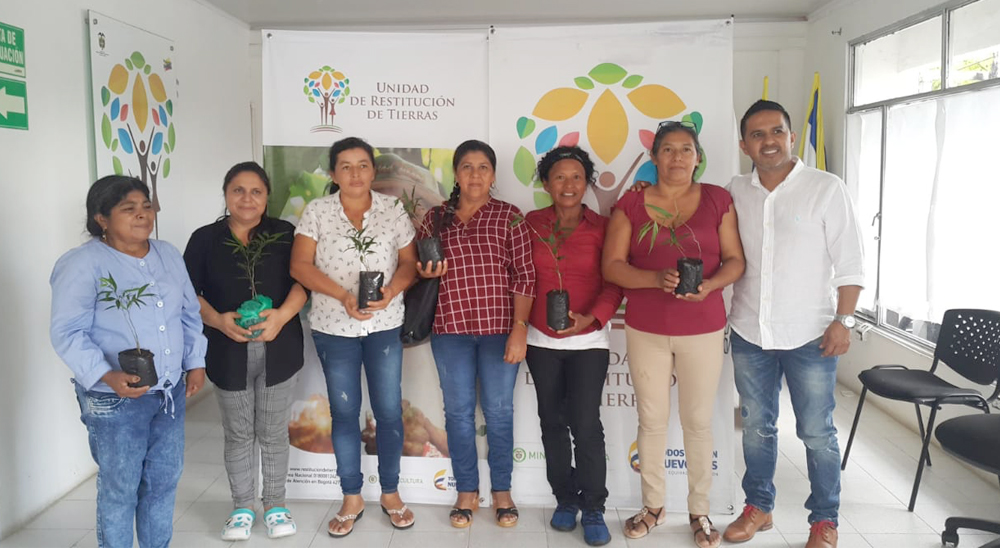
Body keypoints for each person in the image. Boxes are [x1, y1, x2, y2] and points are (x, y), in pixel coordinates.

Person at [723, 100, 864, 548]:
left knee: (816, 431)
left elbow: (851, 262)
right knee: (757, 425)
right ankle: (758, 507)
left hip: (811, 334)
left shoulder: (826, 188)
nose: (769, 141)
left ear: (791, 136)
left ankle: (824, 520)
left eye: (777, 131)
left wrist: (844, 320)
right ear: (744, 143)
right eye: (758, 134)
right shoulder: (734, 191)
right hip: (749, 330)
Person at [603, 121, 745, 548]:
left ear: (698, 157)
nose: (677, 157)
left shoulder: (718, 200)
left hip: (702, 327)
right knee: (651, 420)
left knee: (698, 422)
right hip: (646, 327)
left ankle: (699, 512)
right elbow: (613, 266)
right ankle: (653, 506)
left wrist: (711, 285)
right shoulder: (631, 205)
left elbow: (735, 260)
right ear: (655, 157)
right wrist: (653, 278)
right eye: (668, 149)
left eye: (686, 149)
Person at [50, 176, 207, 548]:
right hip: (115, 399)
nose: (142, 215)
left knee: (163, 482)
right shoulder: (82, 264)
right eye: (129, 209)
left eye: (146, 206)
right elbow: (67, 332)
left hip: (168, 393)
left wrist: (195, 361)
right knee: (121, 489)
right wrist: (105, 373)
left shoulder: (167, 253)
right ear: (101, 218)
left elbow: (188, 313)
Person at [290, 137, 418, 537]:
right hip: (334, 327)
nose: (355, 173)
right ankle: (352, 496)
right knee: (345, 414)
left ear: (373, 171)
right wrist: (342, 295)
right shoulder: (317, 212)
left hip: (384, 326)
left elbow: (410, 264)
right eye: (345, 166)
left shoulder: (393, 209)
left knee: (389, 412)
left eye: (362, 165)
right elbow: (299, 266)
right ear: (333, 174)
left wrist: (391, 292)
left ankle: (392, 493)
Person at [183, 161, 307, 541]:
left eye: (256, 191)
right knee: (238, 433)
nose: (247, 199)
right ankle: (241, 507)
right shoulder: (205, 239)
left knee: (272, 433)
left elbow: (305, 283)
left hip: (278, 348)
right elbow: (189, 294)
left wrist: (281, 317)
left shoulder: (285, 235)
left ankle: (275, 505)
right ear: (226, 194)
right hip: (226, 349)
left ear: (267, 196)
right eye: (238, 190)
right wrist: (219, 321)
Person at [415, 139, 535, 529]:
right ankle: (466, 491)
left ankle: (502, 491)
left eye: (483, 167)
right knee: (459, 414)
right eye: (467, 167)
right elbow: (416, 267)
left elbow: (525, 276)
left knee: (499, 413)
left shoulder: (510, 216)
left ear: (494, 175)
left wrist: (520, 329)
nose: (475, 175)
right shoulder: (434, 218)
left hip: (500, 331)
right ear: (456, 173)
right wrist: (424, 271)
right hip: (449, 330)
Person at [523, 146, 622, 546]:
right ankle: (565, 498)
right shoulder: (530, 223)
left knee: (585, 423)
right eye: (559, 177)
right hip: (540, 339)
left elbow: (615, 280)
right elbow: (520, 275)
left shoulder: (604, 226)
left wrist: (593, 317)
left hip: (590, 340)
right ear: (546, 184)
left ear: (587, 183)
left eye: (577, 177)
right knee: (552, 421)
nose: (568, 185)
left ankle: (594, 505)